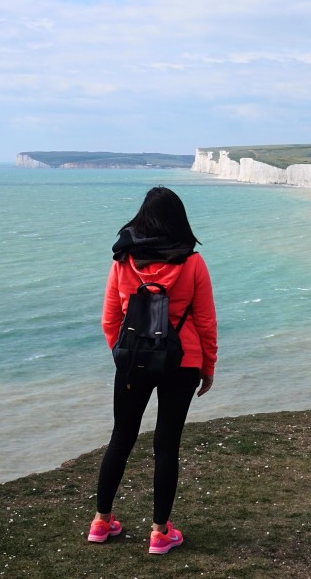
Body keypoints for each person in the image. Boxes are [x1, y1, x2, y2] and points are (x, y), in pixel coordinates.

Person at [88, 187, 217, 555]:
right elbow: (205, 321)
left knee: (121, 437)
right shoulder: (193, 263)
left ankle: (101, 522)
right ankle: (160, 533)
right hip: (182, 361)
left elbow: (110, 318)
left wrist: (123, 354)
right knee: (166, 445)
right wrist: (208, 366)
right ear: (179, 220)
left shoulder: (122, 261)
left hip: (134, 361)